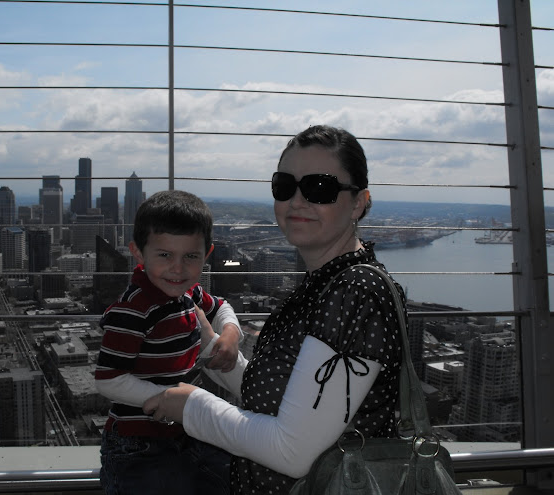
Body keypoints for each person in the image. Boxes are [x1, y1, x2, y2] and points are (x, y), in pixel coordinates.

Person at [143, 125, 406, 495]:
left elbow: (293, 451)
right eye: (284, 186)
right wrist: (217, 349)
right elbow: (288, 400)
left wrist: (191, 407)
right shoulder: (322, 286)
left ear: (359, 202)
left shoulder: (356, 290)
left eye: (320, 188)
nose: (297, 201)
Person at [95, 189, 244, 495]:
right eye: (164, 255)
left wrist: (229, 334)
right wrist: (172, 398)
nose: (178, 268)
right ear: (138, 253)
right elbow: (108, 380)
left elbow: (222, 307)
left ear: (207, 254)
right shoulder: (132, 310)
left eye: (191, 256)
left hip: (185, 429)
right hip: (138, 444)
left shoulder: (187, 293)